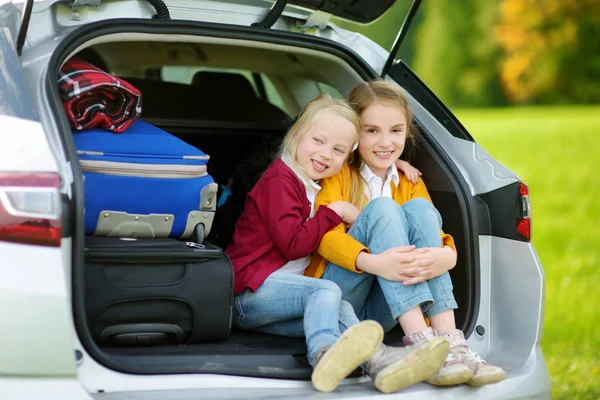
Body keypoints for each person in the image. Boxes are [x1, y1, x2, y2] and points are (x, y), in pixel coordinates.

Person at [226, 94, 449, 393]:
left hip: (286, 299)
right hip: (249, 294)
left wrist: (397, 162)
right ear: (295, 135)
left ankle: (380, 363)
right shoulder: (280, 179)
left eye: (338, 150)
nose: (325, 154)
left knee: (340, 306)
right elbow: (294, 245)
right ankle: (323, 355)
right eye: (318, 141)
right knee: (326, 290)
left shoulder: (309, 181)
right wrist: (334, 213)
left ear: (347, 157)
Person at [306, 80, 506, 387]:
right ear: (353, 132)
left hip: (385, 307)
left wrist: (448, 255)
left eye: (395, 131)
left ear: (407, 131)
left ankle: (451, 344)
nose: (385, 142)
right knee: (383, 209)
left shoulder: (409, 181)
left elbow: (431, 233)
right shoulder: (339, 172)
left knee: (423, 211)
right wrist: (374, 263)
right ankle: (421, 343)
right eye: (372, 130)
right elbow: (323, 237)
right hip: (341, 295)